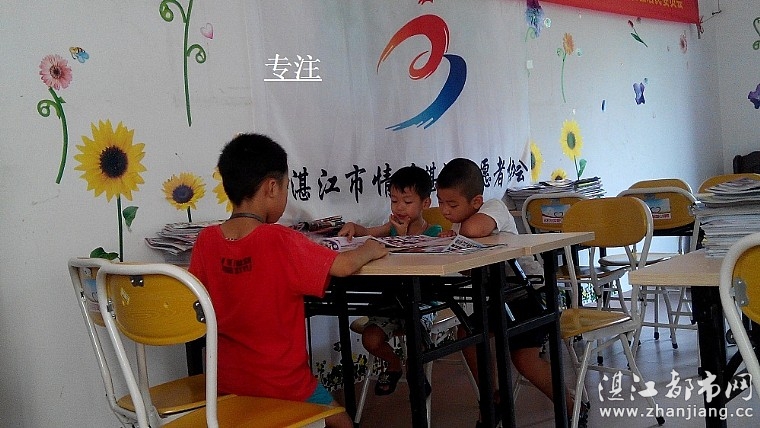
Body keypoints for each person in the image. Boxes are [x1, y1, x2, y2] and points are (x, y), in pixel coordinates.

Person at [188, 133, 388, 428]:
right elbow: (344, 266)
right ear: (271, 187)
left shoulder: (206, 240)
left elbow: (194, 304)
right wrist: (369, 248)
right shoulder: (279, 239)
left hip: (225, 384)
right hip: (285, 385)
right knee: (342, 422)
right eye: (286, 187)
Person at [435, 158, 587, 428]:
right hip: (504, 298)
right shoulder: (461, 222)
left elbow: (474, 229)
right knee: (467, 334)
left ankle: (571, 406)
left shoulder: (494, 208)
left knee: (524, 359)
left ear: (476, 201)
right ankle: (494, 399)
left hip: (533, 293)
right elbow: (471, 271)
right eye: (440, 202)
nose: (444, 211)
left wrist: (457, 238)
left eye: (452, 204)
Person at [338, 165, 442, 396]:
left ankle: (415, 370)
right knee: (370, 339)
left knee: (417, 340)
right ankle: (394, 364)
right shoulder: (391, 227)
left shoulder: (433, 233)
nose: (399, 207)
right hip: (392, 302)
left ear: (425, 203)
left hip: (422, 302)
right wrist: (353, 227)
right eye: (394, 201)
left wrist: (403, 238)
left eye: (407, 201)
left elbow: (417, 266)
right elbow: (367, 232)